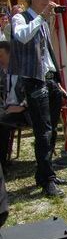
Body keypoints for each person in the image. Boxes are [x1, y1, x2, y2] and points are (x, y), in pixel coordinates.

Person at [9, 0, 67, 197]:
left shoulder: (41, 20)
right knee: (43, 132)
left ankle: (46, 174)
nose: (46, 2)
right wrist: (42, 17)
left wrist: (58, 80)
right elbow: (22, 36)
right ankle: (47, 180)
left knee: (52, 129)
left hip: (48, 79)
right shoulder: (20, 18)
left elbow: (47, 53)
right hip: (33, 80)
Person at [0, 41, 29, 173]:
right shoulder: (3, 71)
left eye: (1, 56)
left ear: (10, 54)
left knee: (1, 124)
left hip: (25, 111)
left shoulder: (23, 70)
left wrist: (22, 106)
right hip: (8, 108)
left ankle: (2, 163)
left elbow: (33, 93)